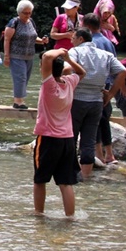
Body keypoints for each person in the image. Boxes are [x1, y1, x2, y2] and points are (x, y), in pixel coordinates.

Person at [33, 48, 86, 217]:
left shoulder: (49, 86)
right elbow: (81, 72)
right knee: (65, 183)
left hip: (48, 138)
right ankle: (70, 217)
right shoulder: (69, 83)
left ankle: (39, 215)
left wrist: (60, 51)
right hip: (68, 139)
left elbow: (48, 56)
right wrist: (69, 58)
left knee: (40, 180)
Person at [68, 28, 126, 177]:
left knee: (71, 138)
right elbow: (123, 71)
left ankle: (71, 173)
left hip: (76, 99)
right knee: (89, 140)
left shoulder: (75, 52)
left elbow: (67, 69)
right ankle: (86, 177)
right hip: (97, 101)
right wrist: (111, 93)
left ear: (81, 39)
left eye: (73, 38)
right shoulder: (106, 55)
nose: (71, 41)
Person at [82, 12, 117, 164]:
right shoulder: (108, 41)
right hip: (107, 84)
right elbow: (115, 66)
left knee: (93, 120)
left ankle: (99, 155)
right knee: (104, 119)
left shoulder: (91, 44)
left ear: (87, 26)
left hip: (94, 86)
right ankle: (109, 154)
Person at [3, 0, 48, 110]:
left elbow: (32, 37)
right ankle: (17, 102)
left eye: (29, 12)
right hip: (16, 55)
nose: (28, 15)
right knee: (20, 77)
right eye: (25, 13)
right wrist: (6, 56)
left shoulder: (31, 22)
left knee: (26, 78)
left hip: (29, 56)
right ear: (19, 12)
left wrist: (41, 40)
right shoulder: (13, 23)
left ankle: (21, 100)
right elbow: (7, 39)